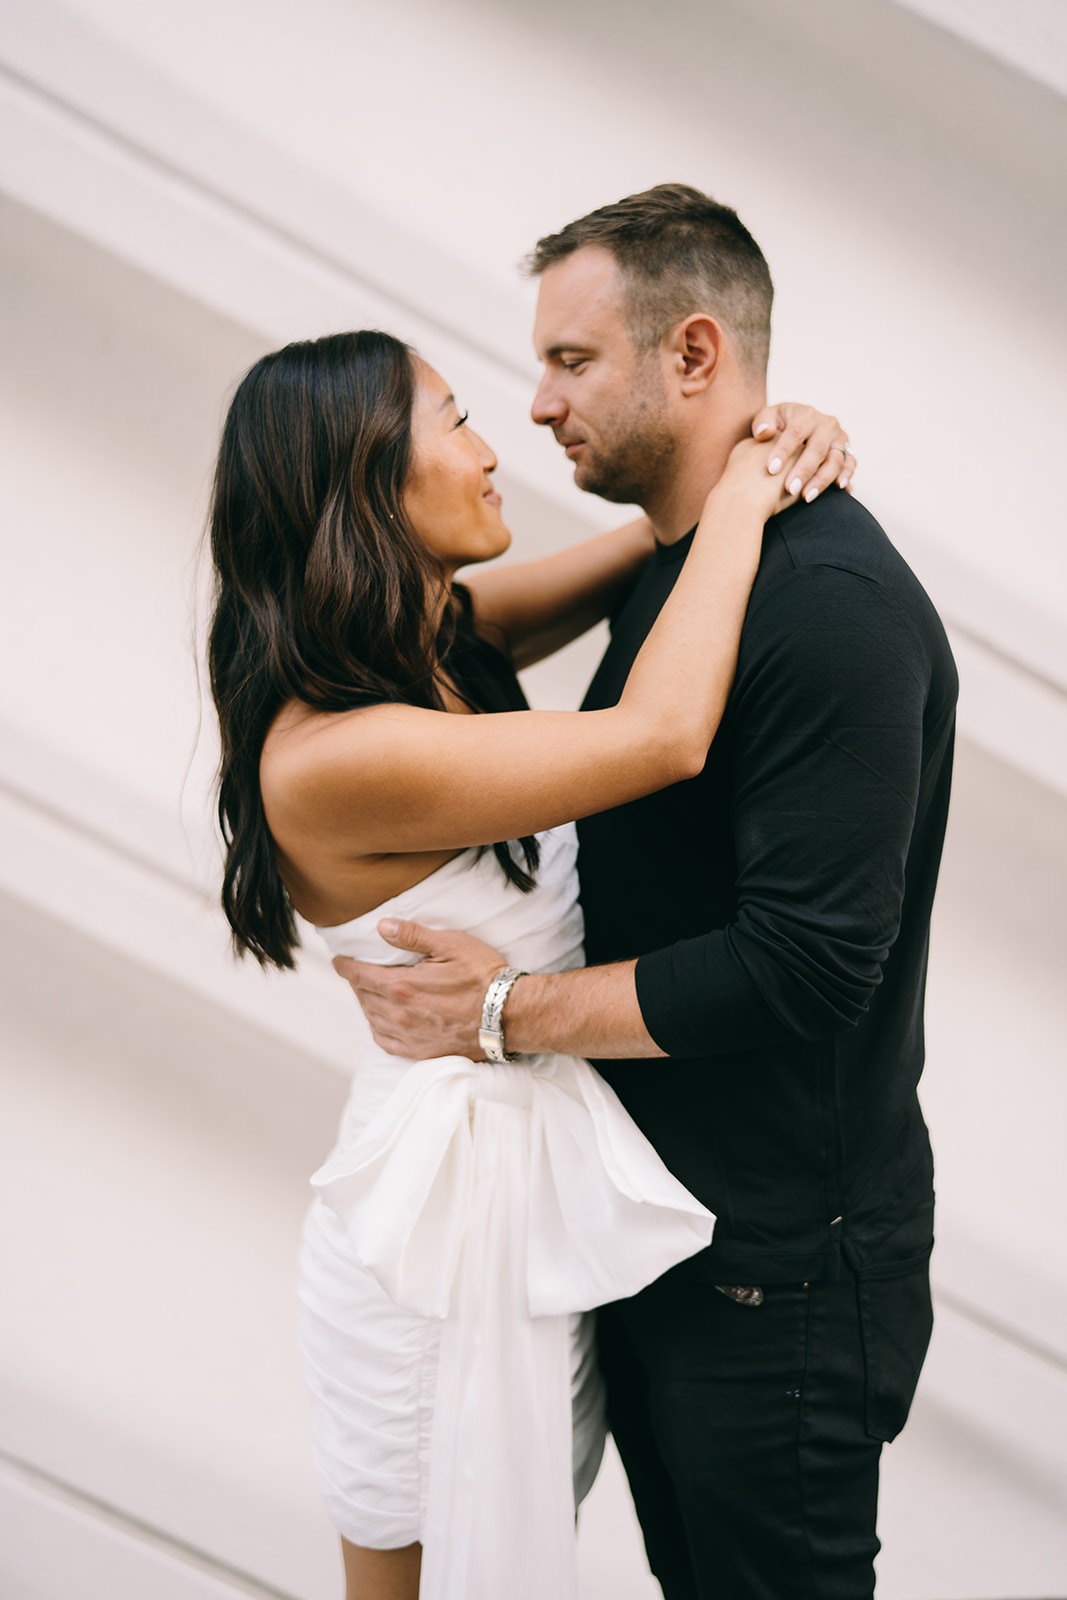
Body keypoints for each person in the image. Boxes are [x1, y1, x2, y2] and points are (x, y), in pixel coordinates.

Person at [336, 185, 959, 1600]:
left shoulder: (824, 612)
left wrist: (497, 1011)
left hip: (776, 1277)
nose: (537, 406)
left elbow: (801, 967)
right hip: (669, 1243)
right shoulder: (690, 569)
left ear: (689, 356)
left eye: (569, 361)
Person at [207, 322, 852, 1600]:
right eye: (451, 423)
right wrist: (738, 497)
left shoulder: (434, 642)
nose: (492, 449)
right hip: (425, 1252)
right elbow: (660, 734)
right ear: (362, 487)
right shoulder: (334, 753)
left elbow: (642, 552)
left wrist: (760, 455)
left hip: (520, 1219)